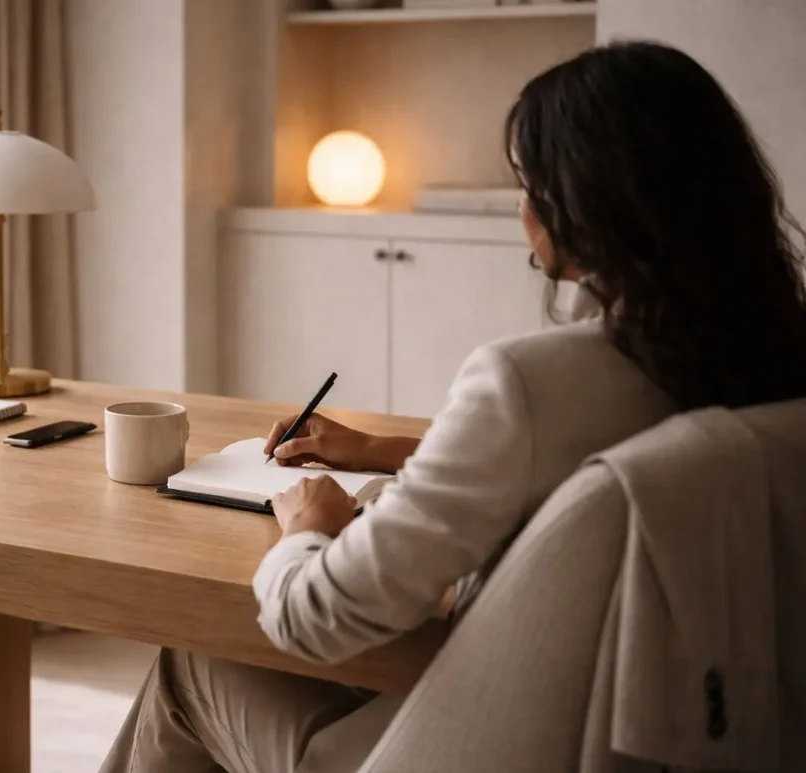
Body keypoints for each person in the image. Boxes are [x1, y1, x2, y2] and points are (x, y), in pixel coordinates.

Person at [99, 40, 806, 773]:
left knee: (190, 660)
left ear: (579, 214)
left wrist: (307, 531)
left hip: (465, 745)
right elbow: (581, 453)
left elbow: (316, 617)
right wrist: (386, 451)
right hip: (638, 732)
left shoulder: (528, 383)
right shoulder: (765, 362)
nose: (523, 208)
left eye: (528, 185)